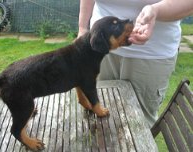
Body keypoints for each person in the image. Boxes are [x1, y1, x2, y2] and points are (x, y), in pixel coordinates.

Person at [78, 0, 193, 128]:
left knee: (140, 125)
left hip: (151, 54)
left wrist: (156, 11)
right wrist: (83, 28)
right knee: (97, 118)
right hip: (100, 48)